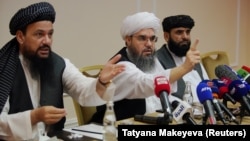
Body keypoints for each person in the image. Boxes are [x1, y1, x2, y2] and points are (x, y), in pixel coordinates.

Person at [0, 2, 125, 140]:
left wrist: (101, 81)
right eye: (39, 34)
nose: (46, 41)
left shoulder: (59, 64)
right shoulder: (4, 69)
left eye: (50, 34)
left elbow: (83, 90)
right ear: (20, 37)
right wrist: (33, 117)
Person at [90, 12, 201, 124]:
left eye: (152, 39)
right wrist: (184, 68)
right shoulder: (119, 66)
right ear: (128, 40)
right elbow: (146, 83)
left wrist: (185, 109)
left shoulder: (149, 60)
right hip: (112, 130)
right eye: (142, 38)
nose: (149, 44)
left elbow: (164, 94)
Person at [157, 15, 209, 111]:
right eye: (179, 32)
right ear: (166, 36)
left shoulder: (193, 56)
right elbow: (163, 98)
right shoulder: (158, 59)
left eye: (188, 32)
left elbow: (207, 85)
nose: (185, 37)